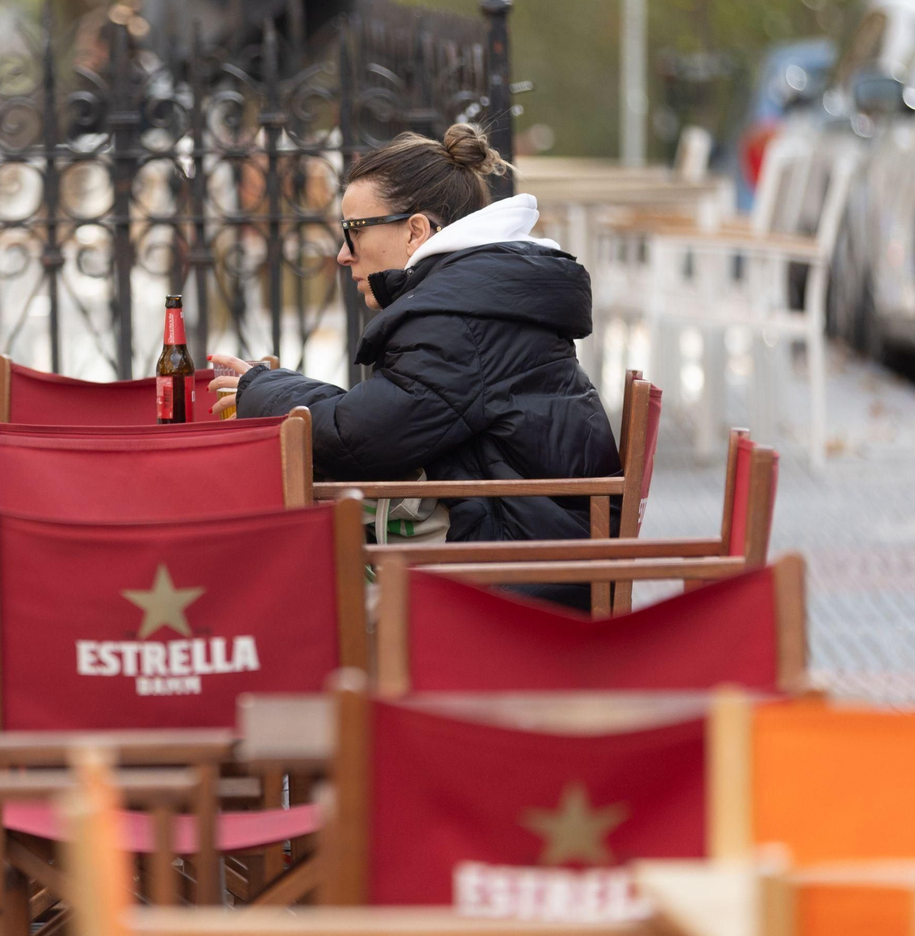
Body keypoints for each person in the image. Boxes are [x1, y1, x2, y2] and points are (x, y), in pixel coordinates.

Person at [211, 124, 620, 603]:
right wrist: (275, 387)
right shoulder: (475, 296)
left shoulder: (462, 316)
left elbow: (363, 439)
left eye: (354, 231)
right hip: (529, 544)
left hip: (520, 575)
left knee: (288, 595)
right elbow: (387, 417)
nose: (342, 254)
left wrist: (263, 389)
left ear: (415, 230)